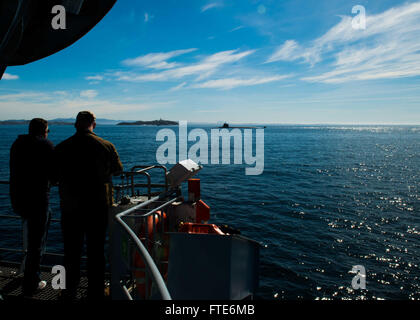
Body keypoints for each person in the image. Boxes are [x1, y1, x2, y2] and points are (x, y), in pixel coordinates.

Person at [54, 111, 123, 300]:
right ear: (94, 124)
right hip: (98, 207)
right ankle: (96, 292)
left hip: (70, 207)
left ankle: (69, 291)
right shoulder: (106, 146)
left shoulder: (61, 147)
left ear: (75, 125)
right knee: (96, 251)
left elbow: (52, 176)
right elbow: (118, 170)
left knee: (71, 252)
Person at [9, 118, 54, 296]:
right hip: (38, 200)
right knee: (37, 243)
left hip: (18, 199)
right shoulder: (45, 145)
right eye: (48, 131)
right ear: (43, 131)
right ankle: (32, 281)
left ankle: (29, 275)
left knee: (32, 242)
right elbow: (55, 173)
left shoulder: (17, 144)